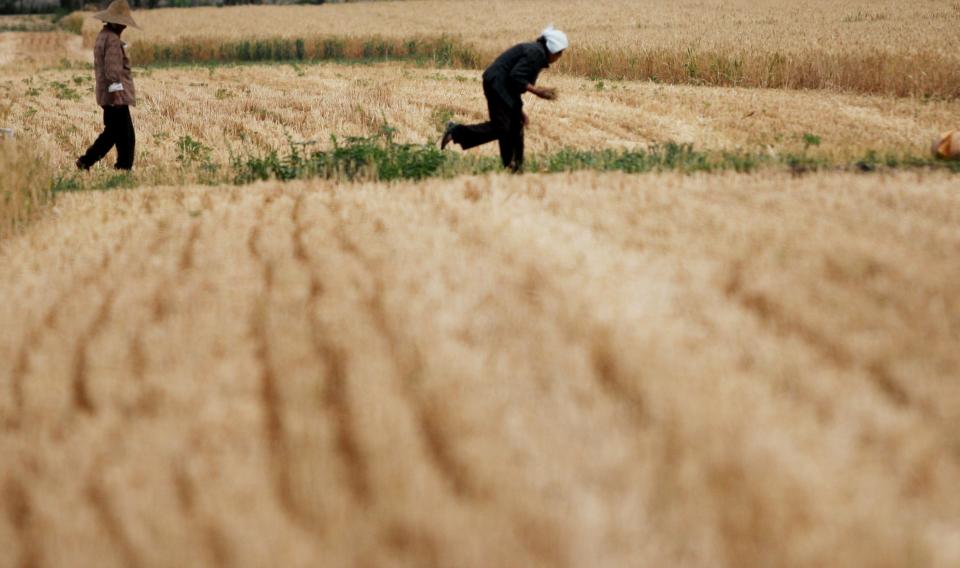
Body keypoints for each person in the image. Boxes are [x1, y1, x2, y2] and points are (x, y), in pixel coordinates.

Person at [441, 26, 568, 173]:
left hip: (503, 85)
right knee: (501, 127)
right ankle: (455, 131)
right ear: (552, 49)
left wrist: (519, 111)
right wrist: (537, 91)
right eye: (560, 52)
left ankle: (515, 166)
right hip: (496, 84)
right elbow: (516, 77)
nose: (560, 56)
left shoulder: (537, 52)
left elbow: (514, 84)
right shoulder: (536, 53)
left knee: (516, 124)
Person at [76, 0, 140, 172]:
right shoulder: (111, 39)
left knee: (114, 133)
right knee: (125, 135)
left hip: (108, 94)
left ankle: (88, 162)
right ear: (116, 23)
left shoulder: (103, 35)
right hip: (114, 96)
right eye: (123, 24)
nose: (124, 27)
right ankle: (119, 167)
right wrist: (116, 94)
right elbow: (112, 69)